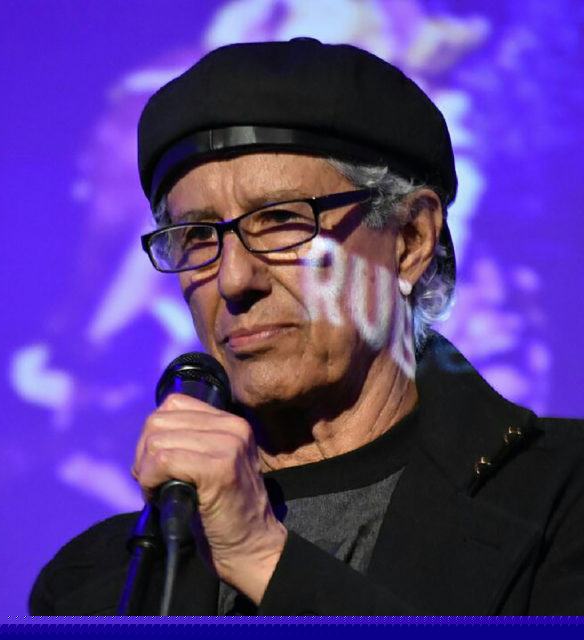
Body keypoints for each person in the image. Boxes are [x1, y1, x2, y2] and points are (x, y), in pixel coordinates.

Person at [29, 39, 584, 615]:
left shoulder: (561, 498)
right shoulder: (96, 587)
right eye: (197, 236)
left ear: (410, 240)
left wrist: (261, 555)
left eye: (281, 220)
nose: (234, 279)